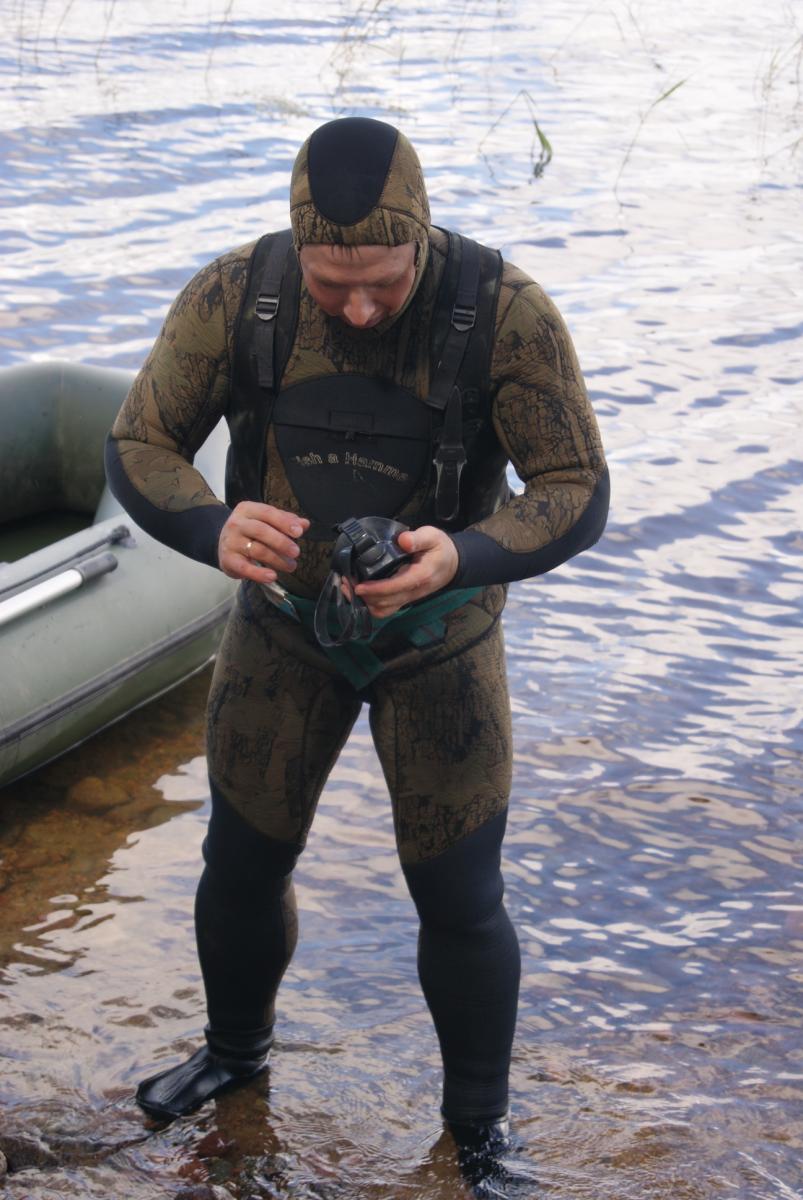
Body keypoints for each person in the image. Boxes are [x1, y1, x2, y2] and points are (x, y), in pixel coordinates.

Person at [105, 116, 609, 1193]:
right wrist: (211, 528)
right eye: (333, 286)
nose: (361, 308)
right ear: (299, 249)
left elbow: (575, 487)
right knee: (242, 862)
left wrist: (463, 554)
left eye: (383, 283)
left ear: (421, 239)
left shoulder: (503, 311)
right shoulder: (237, 295)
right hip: (283, 631)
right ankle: (234, 1058)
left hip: (441, 642)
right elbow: (140, 441)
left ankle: (478, 1132)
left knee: (459, 898)